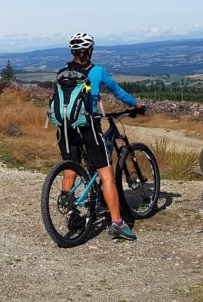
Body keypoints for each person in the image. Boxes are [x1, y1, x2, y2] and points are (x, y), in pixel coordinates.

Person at [54, 32, 145, 241]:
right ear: (90, 51)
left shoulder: (62, 73)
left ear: (73, 52)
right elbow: (118, 92)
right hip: (88, 128)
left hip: (65, 129)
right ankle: (117, 224)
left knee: (70, 172)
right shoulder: (97, 71)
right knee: (106, 175)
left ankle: (71, 216)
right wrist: (136, 104)